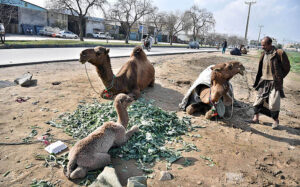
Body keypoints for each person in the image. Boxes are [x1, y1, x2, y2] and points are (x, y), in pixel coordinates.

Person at [248, 36, 290, 129]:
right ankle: (256, 118)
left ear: (270, 44)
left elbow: (287, 67)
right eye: (261, 45)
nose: (262, 47)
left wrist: (279, 77)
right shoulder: (263, 53)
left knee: (274, 103)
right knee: (258, 100)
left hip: (274, 82)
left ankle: (275, 121)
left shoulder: (279, 53)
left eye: (264, 45)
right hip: (263, 80)